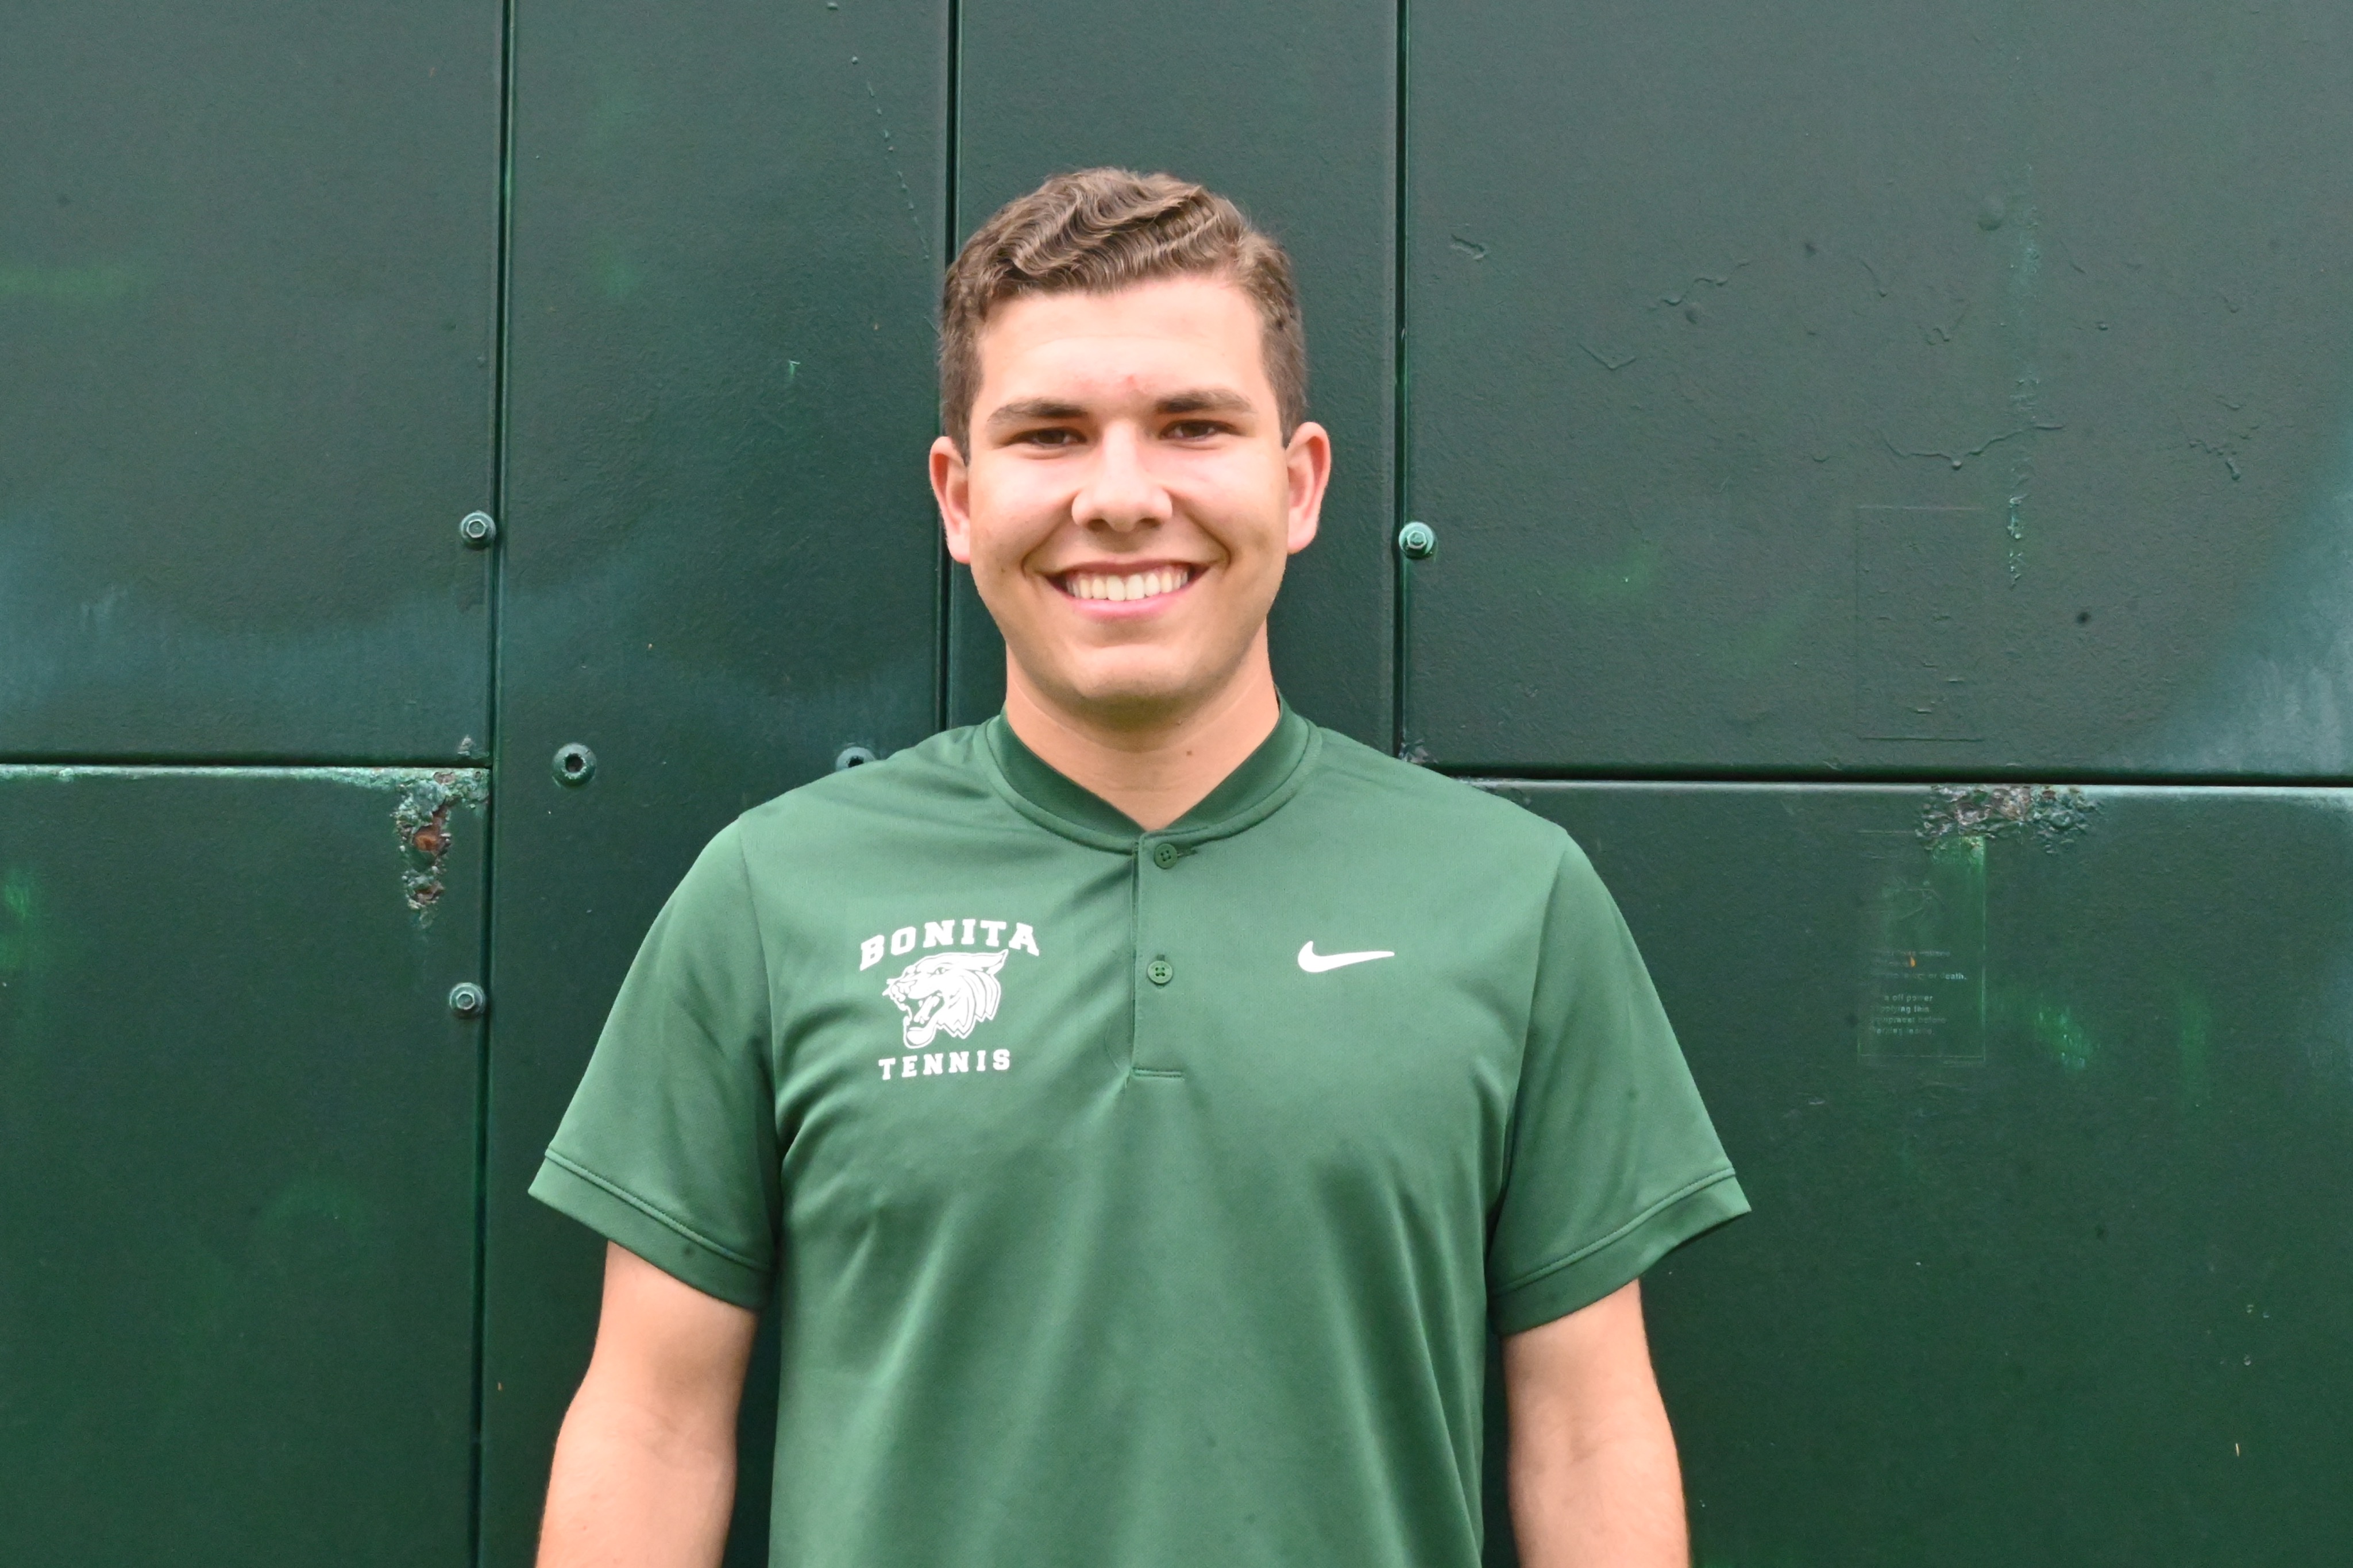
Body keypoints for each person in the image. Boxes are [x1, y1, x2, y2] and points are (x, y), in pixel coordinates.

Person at [530, 167, 1748, 1568]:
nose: (1119, 498)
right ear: (959, 498)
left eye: (1191, 426)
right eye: (1049, 435)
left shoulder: (1512, 900)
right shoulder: (771, 893)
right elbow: (652, 1427)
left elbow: (1588, 1434)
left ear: (1297, 483)